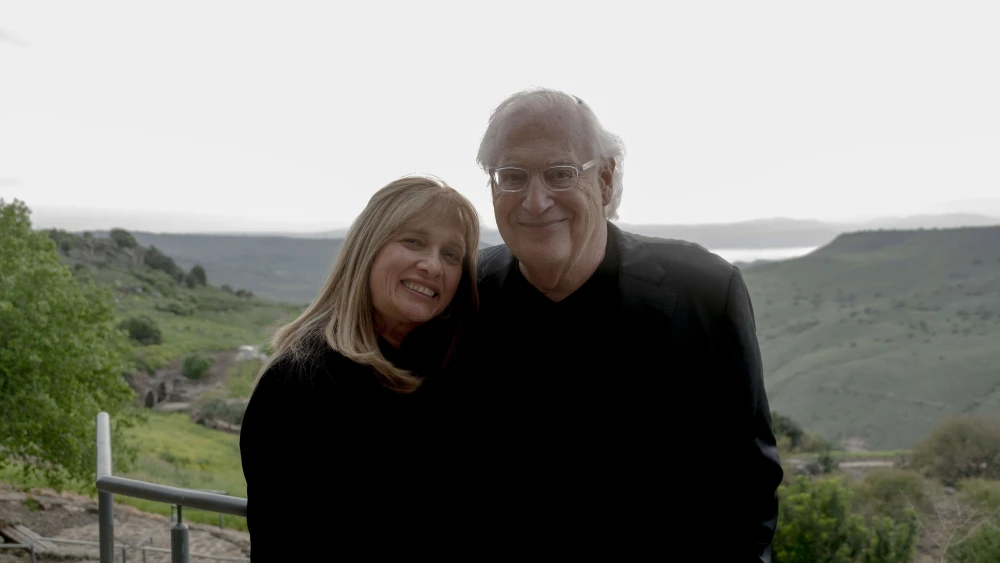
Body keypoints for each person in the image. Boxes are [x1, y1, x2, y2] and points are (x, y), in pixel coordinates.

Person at [439, 89, 784, 560]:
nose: (535, 201)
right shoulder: (464, 295)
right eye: (512, 177)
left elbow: (747, 482)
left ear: (604, 180)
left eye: (560, 174)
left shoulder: (705, 291)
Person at [239, 176, 480, 560]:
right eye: (414, 241)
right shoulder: (300, 383)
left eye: (451, 255)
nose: (433, 265)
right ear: (367, 249)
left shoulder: (439, 373)